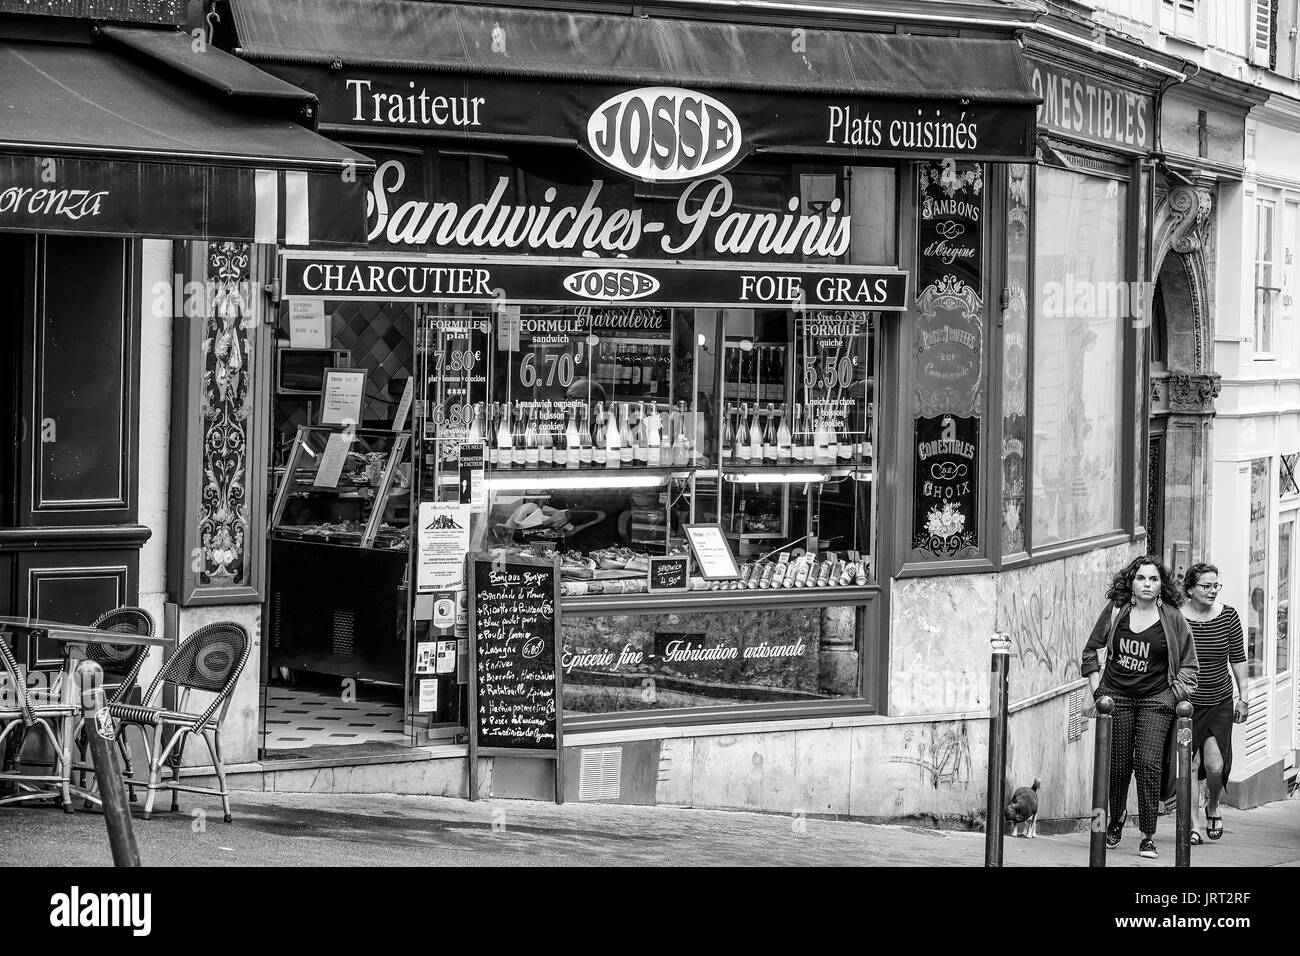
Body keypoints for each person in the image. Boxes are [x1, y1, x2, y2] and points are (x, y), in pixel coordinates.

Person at [1081, 556, 1199, 859]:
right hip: (1115, 698)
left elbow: (1189, 667)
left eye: (1154, 579)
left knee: (1148, 764)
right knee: (1118, 766)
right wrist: (1097, 691)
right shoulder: (1117, 610)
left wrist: (1171, 696)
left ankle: (1148, 834)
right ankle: (1116, 819)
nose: (1147, 584)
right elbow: (1092, 649)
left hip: (1154, 700)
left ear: (1161, 585)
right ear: (1131, 583)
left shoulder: (1173, 618)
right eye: (1142, 578)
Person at [1180, 563, 1249, 843]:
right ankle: (1193, 824)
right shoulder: (1176, 618)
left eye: (1215, 586)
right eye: (1205, 586)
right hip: (1186, 705)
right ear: (1189, 590)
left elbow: (1238, 659)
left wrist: (1244, 697)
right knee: (1190, 763)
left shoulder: (1229, 616)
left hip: (1220, 700)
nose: (1212, 591)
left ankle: (1212, 805)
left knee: (1216, 765)